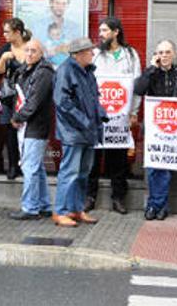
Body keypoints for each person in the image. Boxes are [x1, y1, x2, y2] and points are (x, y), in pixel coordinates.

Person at [87, 17, 141, 215]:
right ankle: (89, 196)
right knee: (92, 159)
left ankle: (118, 198)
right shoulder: (94, 55)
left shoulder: (130, 55)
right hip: (97, 115)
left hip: (120, 116)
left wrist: (134, 111)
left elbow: (135, 86)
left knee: (117, 160)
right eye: (100, 31)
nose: (101, 35)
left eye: (104, 30)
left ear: (116, 32)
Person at [133, 40, 177, 221]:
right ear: (156, 55)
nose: (164, 56)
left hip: (173, 127)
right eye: (160, 52)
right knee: (153, 168)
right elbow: (139, 89)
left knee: (166, 167)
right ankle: (153, 204)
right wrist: (151, 69)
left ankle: (161, 206)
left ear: (173, 54)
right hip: (154, 127)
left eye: (167, 52)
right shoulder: (151, 72)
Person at [52, 37, 107, 227]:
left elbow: (94, 98)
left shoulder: (88, 72)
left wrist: (101, 114)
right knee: (70, 172)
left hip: (88, 130)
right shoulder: (65, 71)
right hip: (73, 132)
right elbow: (62, 102)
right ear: (79, 54)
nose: (93, 54)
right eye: (90, 51)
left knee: (83, 172)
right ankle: (60, 211)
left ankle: (76, 208)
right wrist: (85, 120)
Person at [8, 38, 55, 220]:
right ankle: (43, 205)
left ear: (41, 53)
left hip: (36, 126)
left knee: (30, 167)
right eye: (26, 50)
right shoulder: (25, 71)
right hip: (30, 126)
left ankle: (30, 207)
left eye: (33, 51)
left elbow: (34, 102)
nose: (29, 54)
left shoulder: (43, 73)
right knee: (37, 167)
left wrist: (18, 117)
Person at [0, 18, 30, 180]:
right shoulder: (5, 49)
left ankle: (27, 163)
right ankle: (13, 165)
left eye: (7, 31)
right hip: (10, 97)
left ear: (17, 32)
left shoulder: (31, 47)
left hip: (28, 96)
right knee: (10, 132)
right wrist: (4, 58)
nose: (4, 34)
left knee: (29, 131)